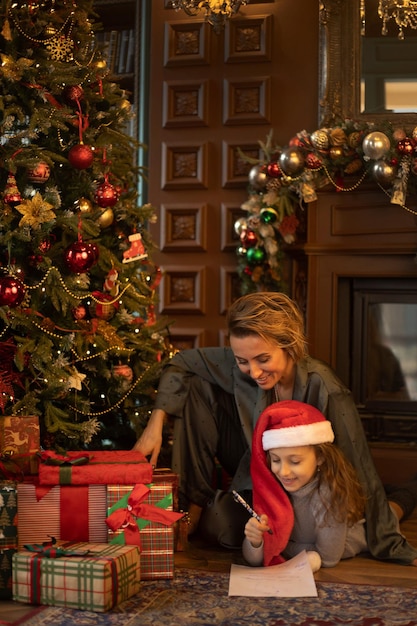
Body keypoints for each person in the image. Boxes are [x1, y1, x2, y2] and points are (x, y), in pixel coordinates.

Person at [134, 291, 417, 565]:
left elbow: (359, 465)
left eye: (263, 359)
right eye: (242, 361)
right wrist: (156, 423)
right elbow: (183, 362)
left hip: (312, 492)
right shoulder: (244, 365)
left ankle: (400, 499)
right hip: (260, 476)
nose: (254, 372)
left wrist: (387, 539)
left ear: (289, 344)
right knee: (196, 383)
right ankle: (192, 502)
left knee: (352, 525)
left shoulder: (325, 386)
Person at [243, 400, 368, 572]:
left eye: (295, 461)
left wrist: (283, 546)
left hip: (354, 535)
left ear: (320, 458)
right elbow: (255, 560)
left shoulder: (329, 496)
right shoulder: (272, 487)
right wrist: (255, 542)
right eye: (276, 460)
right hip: (309, 545)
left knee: (393, 509)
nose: (284, 472)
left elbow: (328, 558)